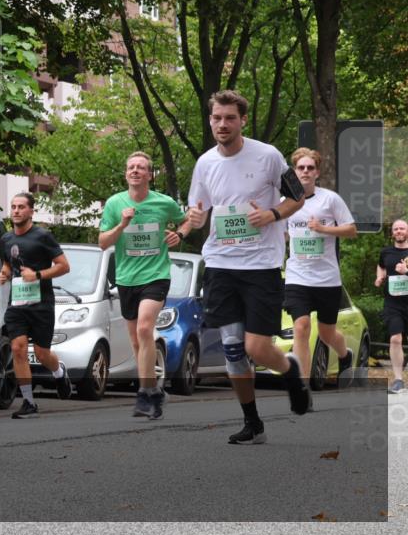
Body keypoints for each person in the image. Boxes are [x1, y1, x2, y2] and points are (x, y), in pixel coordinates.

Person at [187, 89, 309, 445]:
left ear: (242, 120)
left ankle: (290, 370)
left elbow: (297, 197)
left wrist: (272, 214)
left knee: (256, 348)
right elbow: (198, 212)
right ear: (211, 120)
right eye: (216, 118)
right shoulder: (205, 163)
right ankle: (252, 422)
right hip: (221, 263)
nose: (222, 124)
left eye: (229, 118)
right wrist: (193, 219)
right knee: (232, 349)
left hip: (261, 264)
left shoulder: (268, 156)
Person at [99, 151, 192, 420]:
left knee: (144, 328)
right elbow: (103, 243)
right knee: (137, 342)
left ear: (150, 175)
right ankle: (155, 392)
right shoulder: (115, 203)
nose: (135, 171)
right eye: (131, 167)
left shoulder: (163, 203)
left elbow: (186, 220)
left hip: (156, 275)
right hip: (127, 278)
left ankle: (144, 393)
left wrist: (179, 234)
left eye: (141, 167)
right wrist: (122, 224)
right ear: (126, 173)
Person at [283, 147, 358, 393]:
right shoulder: (286, 203)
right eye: (301, 167)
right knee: (301, 327)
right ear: (294, 172)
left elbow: (351, 230)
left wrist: (323, 229)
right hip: (297, 276)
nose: (305, 171)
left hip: (326, 278)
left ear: (317, 172)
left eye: (310, 167)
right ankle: (302, 389)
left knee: (326, 334)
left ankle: (345, 354)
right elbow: (282, 234)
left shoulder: (330, 199)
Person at [0, 193, 72, 419]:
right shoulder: (6, 239)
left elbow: (64, 266)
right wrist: (3, 274)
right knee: (18, 348)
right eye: (13, 207)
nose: (16, 211)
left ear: (31, 211)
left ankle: (59, 372)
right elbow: (8, 264)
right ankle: (29, 402)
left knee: (41, 353)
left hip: (41, 304)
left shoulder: (43, 236)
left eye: (21, 207)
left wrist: (37, 275)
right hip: (17, 304)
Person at [375, 218, 408, 394]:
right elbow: (381, 266)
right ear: (392, 233)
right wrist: (379, 277)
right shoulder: (386, 252)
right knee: (395, 338)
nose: (399, 231)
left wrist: (406, 271)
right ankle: (398, 380)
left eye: (402, 228)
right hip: (393, 303)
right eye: (396, 229)